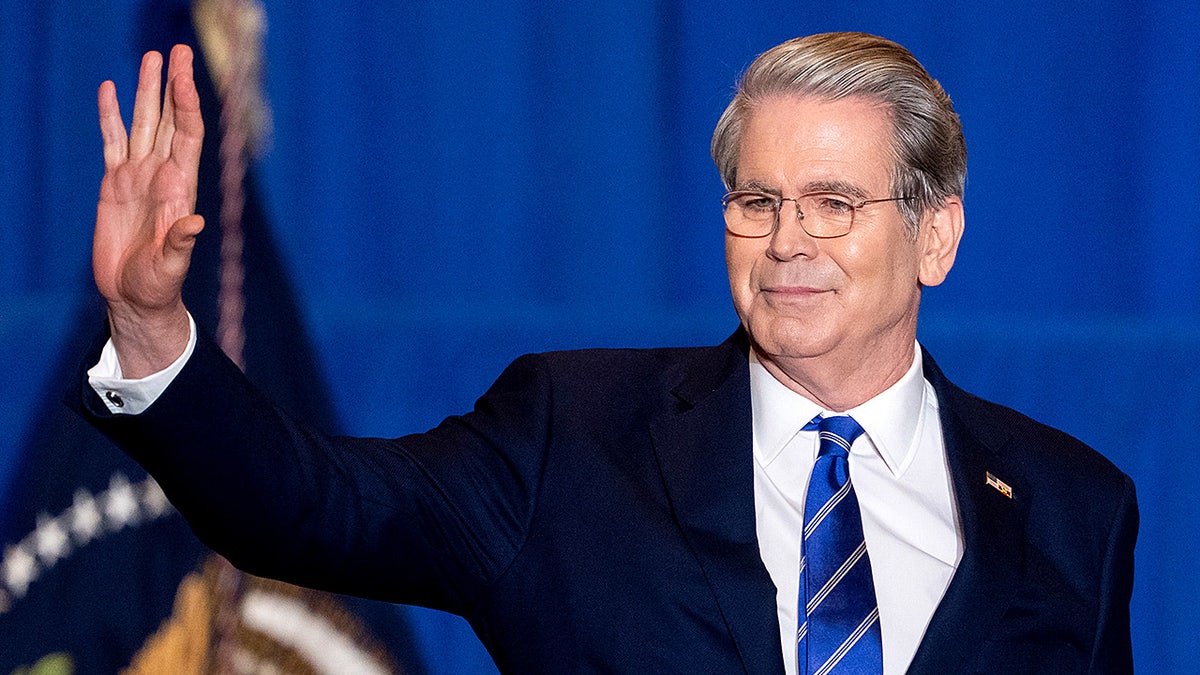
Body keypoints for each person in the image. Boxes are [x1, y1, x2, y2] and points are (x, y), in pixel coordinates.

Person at [76, 33, 1137, 673]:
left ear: (935, 236)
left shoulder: (1072, 510)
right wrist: (150, 328)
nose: (787, 241)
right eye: (757, 201)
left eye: (833, 203)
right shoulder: (571, 438)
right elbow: (306, 503)